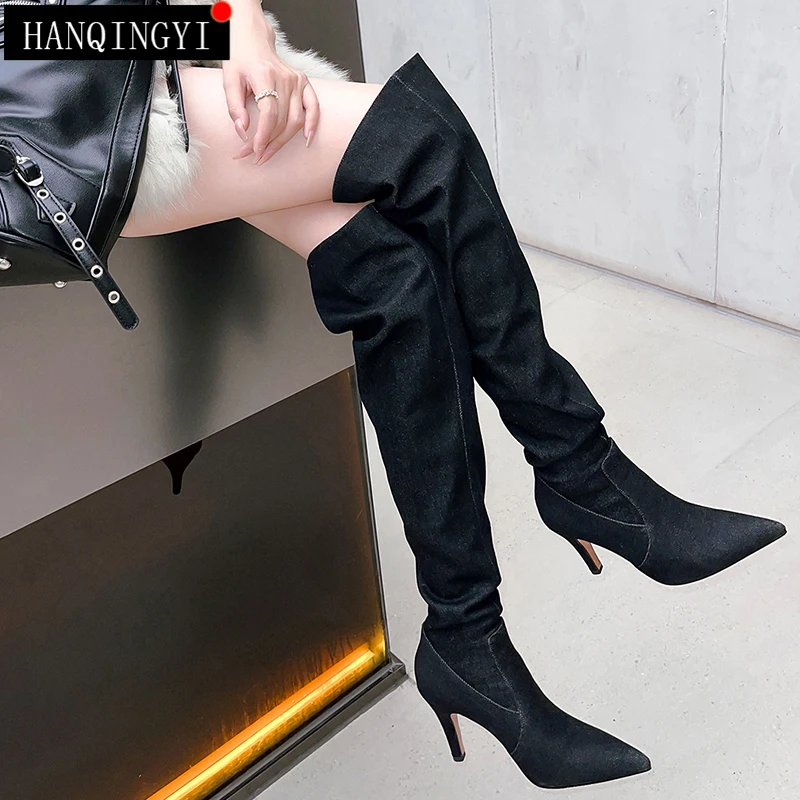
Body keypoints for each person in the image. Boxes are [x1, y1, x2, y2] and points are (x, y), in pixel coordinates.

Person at [121, 0, 787, 789]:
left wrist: (235, 22)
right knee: (424, 136)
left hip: (144, 55)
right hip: (69, 105)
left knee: (393, 280)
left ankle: (466, 635)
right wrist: (224, 29)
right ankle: (580, 469)